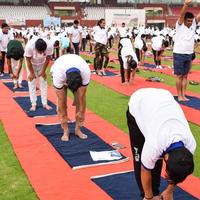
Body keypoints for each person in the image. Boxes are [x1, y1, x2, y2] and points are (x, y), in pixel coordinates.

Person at [127, 88, 196, 200]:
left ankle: (156, 191)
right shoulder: (155, 144)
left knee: (157, 158)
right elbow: (145, 169)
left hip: (162, 101)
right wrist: (148, 197)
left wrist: (169, 191)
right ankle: (146, 194)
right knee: (140, 158)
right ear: (167, 156)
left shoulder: (190, 146)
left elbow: (179, 173)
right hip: (139, 101)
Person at [51, 54, 91, 141]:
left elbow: (82, 97)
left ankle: (78, 130)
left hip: (76, 67)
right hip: (59, 68)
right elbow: (61, 102)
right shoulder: (58, 74)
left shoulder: (85, 72)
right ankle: (65, 130)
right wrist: (63, 115)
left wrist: (81, 112)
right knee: (62, 105)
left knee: (79, 102)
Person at [173, 0, 200, 101]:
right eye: (188, 21)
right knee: (179, 76)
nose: (190, 23)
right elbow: (181, 15)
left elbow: (198, 16)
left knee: (185, 76)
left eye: (191, 21)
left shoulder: (193, 25)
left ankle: (184, 95)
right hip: (179, 53)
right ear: (184, 20)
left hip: (189, 54)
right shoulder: (179, 25)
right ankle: (179, 95)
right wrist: (186, 4)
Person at [24, 37, 53, 111]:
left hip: (42, 63)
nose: (41, 53)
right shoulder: (29, 47)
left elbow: (48, 59)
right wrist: (31, 73)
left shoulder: (49, 45)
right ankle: (33, 104)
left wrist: (43, 71)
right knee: (31, 82)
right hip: (31, 63)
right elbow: (28, 61)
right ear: (35, 48)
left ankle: (45, 103)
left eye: (42, 51)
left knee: (43, 82)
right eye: (39, 51)